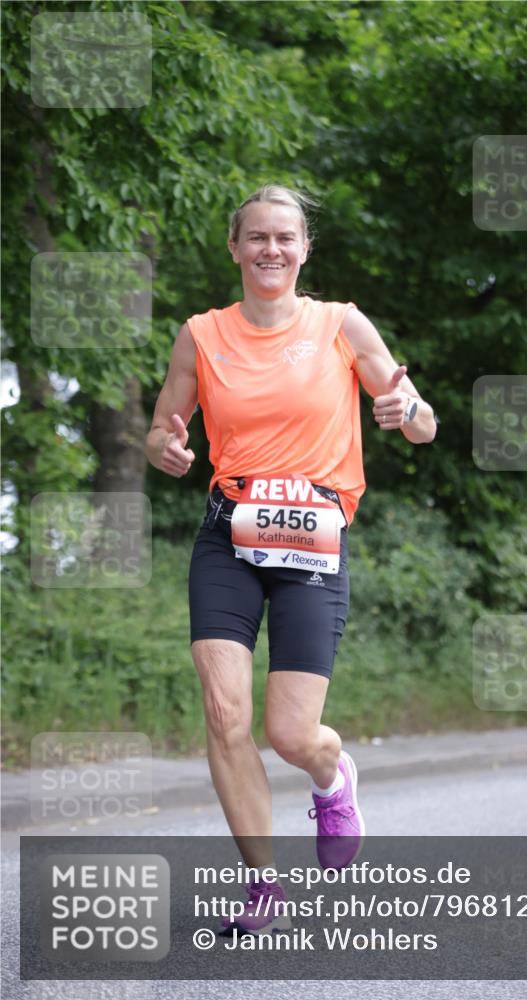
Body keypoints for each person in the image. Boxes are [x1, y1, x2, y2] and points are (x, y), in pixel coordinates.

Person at [145, 185, 437, 935]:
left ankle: (331, 776)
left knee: (291, 734)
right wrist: (167, 448)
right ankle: (262, 884)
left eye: (285, 238)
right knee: (223, 711)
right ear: (236, 248)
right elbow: (161, 429)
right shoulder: (201, 334)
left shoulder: (339, 324)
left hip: (313, 540)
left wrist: (404, 411)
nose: (271, 250)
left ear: (304, 249)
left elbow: (421, 422)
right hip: (227, 534)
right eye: (256, 238)